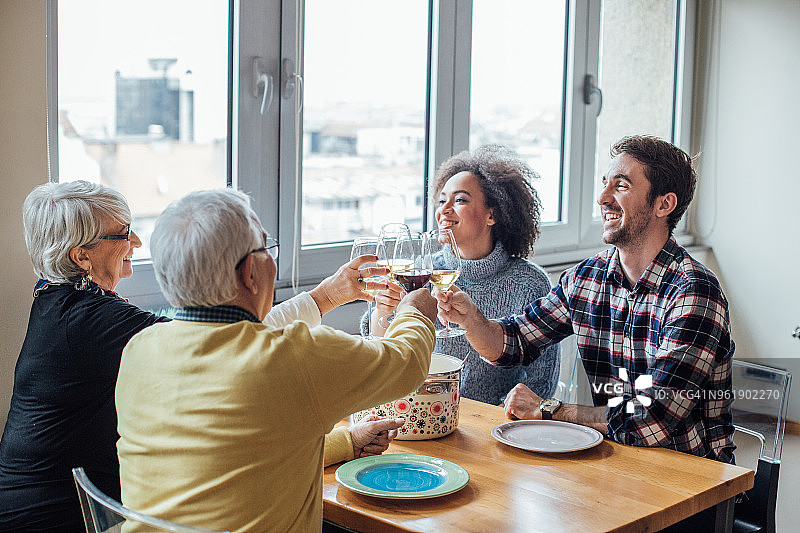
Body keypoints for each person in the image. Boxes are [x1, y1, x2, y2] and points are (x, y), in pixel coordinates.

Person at [0, 181, 407, 533]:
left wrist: (343, 441)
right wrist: (328, 297)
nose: (136, 243)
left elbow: (229, 347)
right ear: (80, 257)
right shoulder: (94, 323)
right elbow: (232, 339)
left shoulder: (59, 300)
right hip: (51, 520)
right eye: (122, 234)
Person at [115, 188, 438, 532]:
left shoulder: (140, 349)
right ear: (250, 272)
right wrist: (414, 311)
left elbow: (231, 458)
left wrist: (348, 441)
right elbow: (407, 364)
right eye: (267, 249)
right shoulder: (294, 356)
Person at [437, 135, 736, 466]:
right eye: (604, 184)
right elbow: (514, 342)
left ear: (663, 205)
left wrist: (551, 409)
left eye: (620, 186)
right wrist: (472, 321)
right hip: (617, 464)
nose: (602, 198)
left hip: (693, 483)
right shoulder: (585, 278)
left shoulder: (694, 291)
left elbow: (654, 419)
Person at [364, 145, 560, 405]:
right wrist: (381, 310)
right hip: (424, 412)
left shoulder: (529, 283)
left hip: (494, 423)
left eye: (460, 200)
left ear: (492, 214)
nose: (444, 210)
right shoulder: (421, 271)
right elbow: (382, 351)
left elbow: (541, 383)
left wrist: (496, 418)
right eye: (442, 200)